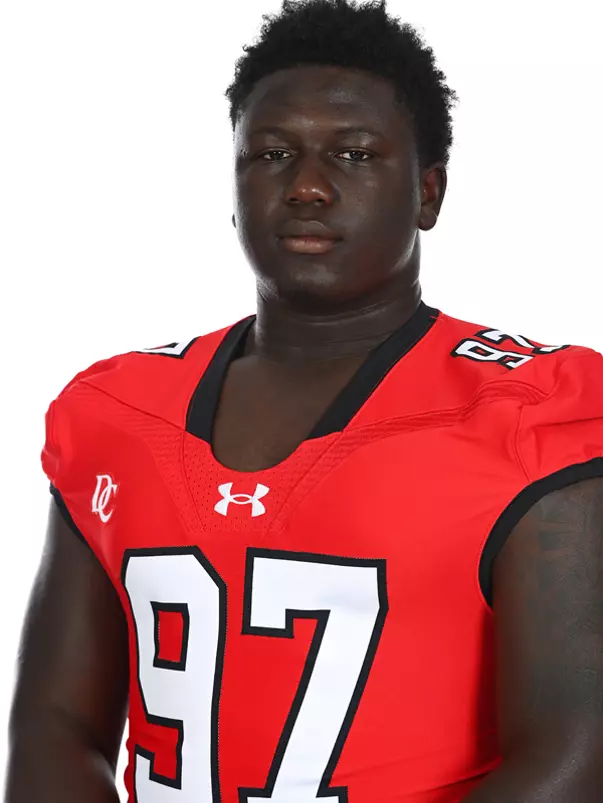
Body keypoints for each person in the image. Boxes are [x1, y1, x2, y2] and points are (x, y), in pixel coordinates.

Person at [6, 0, 603, 801]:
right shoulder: (117, 409)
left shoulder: (533, 413)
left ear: (429, 193)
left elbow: (576, 754)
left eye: (353, 154)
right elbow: (54, 727)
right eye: (271, 154)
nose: (308, 187)